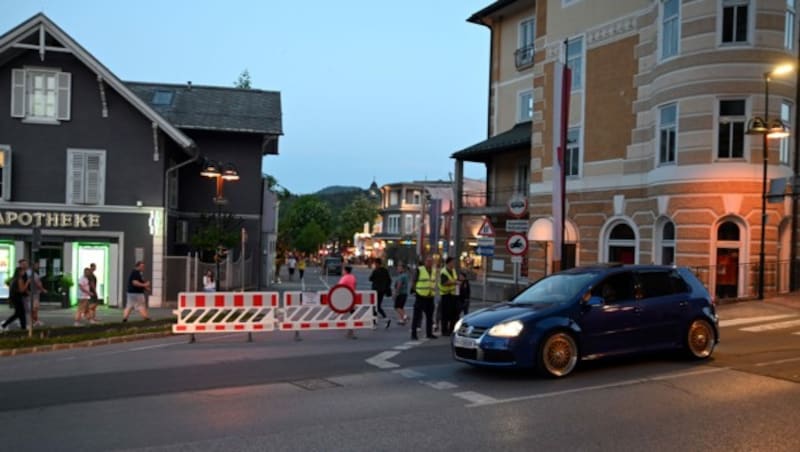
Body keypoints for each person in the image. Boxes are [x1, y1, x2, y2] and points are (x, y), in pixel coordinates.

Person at [410, 255, 437, 340]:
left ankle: (429, 333)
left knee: (430, 316)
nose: (429, 263)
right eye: (428, 261)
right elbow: (414, 281)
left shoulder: (433, 271)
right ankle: (413, 334)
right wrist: (415, 291)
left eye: (431, 261)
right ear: (425, 262)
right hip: (420, 296)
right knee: (416, 316)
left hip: (430, 296)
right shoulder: (420, 270)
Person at [1, 265, 29, 331]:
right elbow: (21, 290)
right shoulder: (20, 279)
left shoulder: (13, 279)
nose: (24, 272)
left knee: (21, 313)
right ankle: (4, 324)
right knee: (18, 313)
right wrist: (27, 283)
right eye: (23, 271)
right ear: (19, 272)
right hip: (18, 298)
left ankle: (23, 326)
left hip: (14, 298)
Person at [368, 258, 392, 329]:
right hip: (382, 291)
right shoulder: (385, 270)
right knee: (378, 306)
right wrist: (385, 287)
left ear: (377, 264)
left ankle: (374, 323)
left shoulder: (376, 271)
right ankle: (385, 319)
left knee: (374, 307)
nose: (374, 265)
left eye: (375, 263)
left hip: (375, 290)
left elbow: (370, 279)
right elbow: (389, 280)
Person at [438, 257, 459, 336]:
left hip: (453, 295)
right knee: (445, 314)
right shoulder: (444, 271)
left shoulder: (453, 270)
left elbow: (455, 279)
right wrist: (455, 282)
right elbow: (444, 282)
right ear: (448, 263)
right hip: (445, 294)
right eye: (452, 262)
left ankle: (451, 329)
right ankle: (444, 330)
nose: (453, 264)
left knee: (454, 313)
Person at [337, 265, 358, 339]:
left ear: (345, 271)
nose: (342, 271)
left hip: (345, 296)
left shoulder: (344, 278)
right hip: (352, 296)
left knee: (341, 309)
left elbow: (339, 286)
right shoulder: (352, 277)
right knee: (351, 312)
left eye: (343, 270)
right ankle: (350, 330)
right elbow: (355, 284)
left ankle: (340, 322)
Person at [30, 261, 47, 327]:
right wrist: (43, 289)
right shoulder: (33, 274)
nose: (38, 267)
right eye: (37, 265)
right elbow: (37, 283)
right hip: (34, 293)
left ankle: (34, 321)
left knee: (34, 308)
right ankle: (35, 321)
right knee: (35, 308)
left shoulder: (31, 273)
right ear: (33, 266)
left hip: (34, 293)